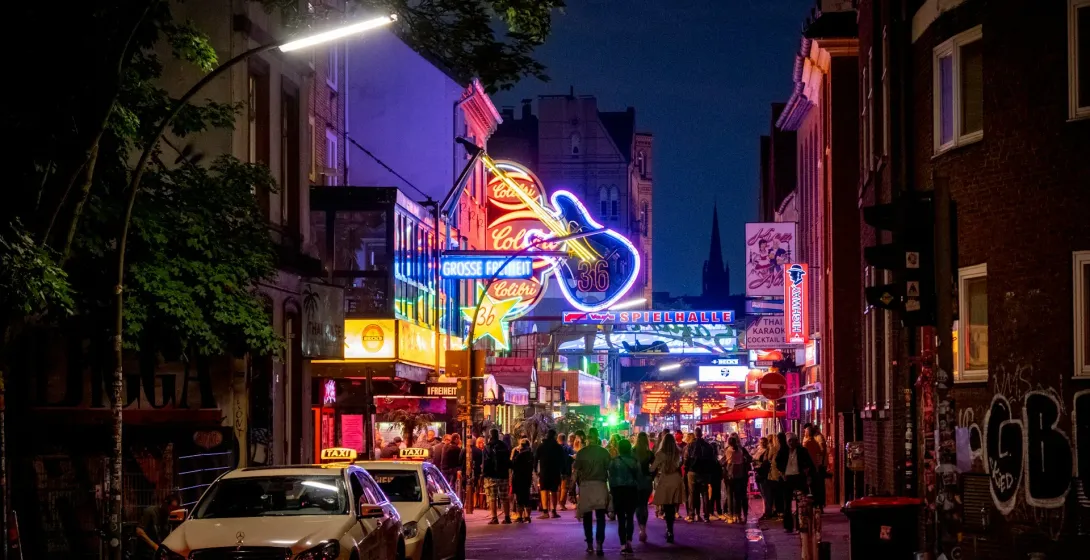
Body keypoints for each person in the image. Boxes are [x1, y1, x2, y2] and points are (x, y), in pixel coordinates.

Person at [574, 427, 612, 556]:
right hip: (600, 485)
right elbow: (609, 470)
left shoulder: (582, 453)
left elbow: (576, 471)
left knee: (587, 516)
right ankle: (599, 543)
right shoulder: (604, 452)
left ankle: (589, 544)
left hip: (586, 486)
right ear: (597, 438)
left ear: (588, 438)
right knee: (601, 517)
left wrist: (571, 488)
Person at [775, 432, 814, 533]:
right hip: (787, 478)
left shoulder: (802, 451)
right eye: (789, 441)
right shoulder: (783, 451)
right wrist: (782, 473)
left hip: (799, 478)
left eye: (794, 440)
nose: (792, 443)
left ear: (797, 441)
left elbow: (809, 463)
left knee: (800, 503)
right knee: (786, 503)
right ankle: (788, 526)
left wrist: (807, 471)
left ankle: (800, 526)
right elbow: (777, 462)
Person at [651, 430, 684, 543]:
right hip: (676, 479)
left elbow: (653, 468)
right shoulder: (677, 452)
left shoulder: (660, 454)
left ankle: (669, 529)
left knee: (666, 505)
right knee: (673, 505)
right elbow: (680, 464)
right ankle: (670, 529)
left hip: (665, 479)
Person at [609, 439, 641, 555]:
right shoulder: (634, 461)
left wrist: (612, 491)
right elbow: (639, 476)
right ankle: (629, 541)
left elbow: (611, 478)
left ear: (619, 448)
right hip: (631, 491)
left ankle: (622, 545)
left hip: (618, 491)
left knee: (621, 519)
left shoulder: (614, 461)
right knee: (630, 517)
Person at [682, 427, 716, 523]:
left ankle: (692, 515)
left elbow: (686, 459)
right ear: (702, 434)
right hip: (704, 472)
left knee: (692, 494)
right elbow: (712, 460)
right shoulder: (708, 446)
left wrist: (686, 468)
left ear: (695, 434)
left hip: (692, 472)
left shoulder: (690, 446)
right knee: (705, 493)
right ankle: (706, 516)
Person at [483, 429, 513, 524]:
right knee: (504, 496)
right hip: (503, 475)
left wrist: (484, 474)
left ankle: (494, 518)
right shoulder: (504, 446)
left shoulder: (488, 447)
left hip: (492, 475)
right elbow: (508, 460)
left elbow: (485, 462)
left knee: (492, 497)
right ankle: (507, 517)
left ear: (490, 436)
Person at [136, 493, 179, 559]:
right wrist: (155, 546)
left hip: (158, 554)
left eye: (175, 508)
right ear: (165, 504)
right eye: (171, 507)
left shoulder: (168, 518)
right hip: (146, 554)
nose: (172, 511)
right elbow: (139, 531)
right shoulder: (150, 512)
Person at [536, 429, 565, 519]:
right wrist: (561, 471)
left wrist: (535, 470)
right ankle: (554, 511)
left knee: (544, 490)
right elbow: (563, 460)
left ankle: (545, 512)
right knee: (554, 491)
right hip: (555, 472)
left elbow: (535, 458)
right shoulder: (558, 447)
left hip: (544, 472)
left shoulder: (541, 446)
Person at [724, 434, 751, 523]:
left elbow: (723, 461)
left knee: (730, 495)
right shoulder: (741, 450)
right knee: (739, 496)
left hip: (730, 475)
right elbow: (749, 459)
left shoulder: (728, 450)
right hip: (741, 476)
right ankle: (740, 515)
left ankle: (731, 515)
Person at [633, 432, 654, 543]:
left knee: (637, 505)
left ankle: (641, 528)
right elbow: (655, 467)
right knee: (644, 504)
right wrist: (651, 476)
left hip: (636, 481)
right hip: (646, 481)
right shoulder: (649, 454)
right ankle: (643, 528)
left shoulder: (632, 452)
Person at [803, 424, 827, 511]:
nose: (804, 432)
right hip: (816, 467)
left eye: (805, 431)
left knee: (812, 488)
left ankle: (814, 505)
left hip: (811, 468)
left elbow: (819, 453)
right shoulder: (814, 443)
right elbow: (819, 453)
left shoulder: (809, 443)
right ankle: (819, 505)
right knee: (817, 487)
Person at [511, 438, 536, 523]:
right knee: (527, 497)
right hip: (527, 478)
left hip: (518, 478)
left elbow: (513, 464)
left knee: (519, 498)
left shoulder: (519, 455)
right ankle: (527, 516)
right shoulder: (531, 454)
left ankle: (520, 516)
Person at [752, 437, 775, 520]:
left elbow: (765, 462)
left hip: (764, 474)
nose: (762, 443)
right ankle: (766, 511)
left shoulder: (767, 451)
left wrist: (758, 464)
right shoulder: (758, 449)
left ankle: (767, 512)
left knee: (766, 494)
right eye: (761, 442)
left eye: (764, 442)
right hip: (758, 473)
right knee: (763, 494)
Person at [767, 433, 784, 517]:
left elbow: (769, 458)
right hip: (782, 473)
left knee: (774, 493)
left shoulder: (773, 448)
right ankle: (781, 510)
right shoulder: (784, 448)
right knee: (781, 493)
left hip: (774, 473)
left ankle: (776, 510)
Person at [558, 433, 573, 510]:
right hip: (566, 470)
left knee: (558, 488)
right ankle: (562, 504)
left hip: (557, 471)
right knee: (564, 488)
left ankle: (558, 503)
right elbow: (572, 457)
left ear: (558, 439)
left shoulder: (555, 448)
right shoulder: (568, 448)